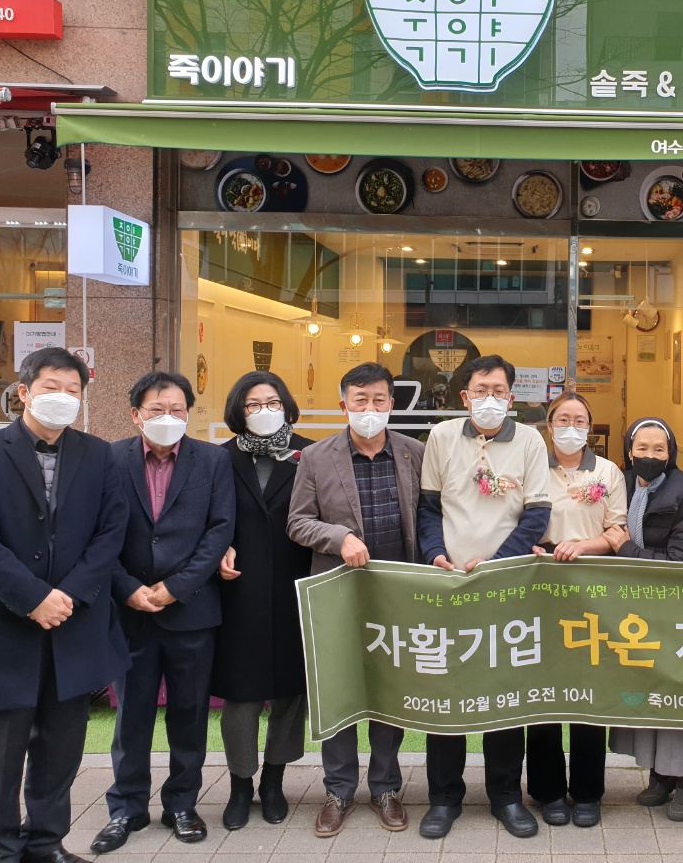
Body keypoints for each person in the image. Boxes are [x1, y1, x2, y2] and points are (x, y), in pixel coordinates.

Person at [0, 347, 129, 863]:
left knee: (62, 745)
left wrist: (66, 596)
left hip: (74, 621)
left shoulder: (100, 456)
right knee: (0, 752)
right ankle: (1, 851)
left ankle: (46, 843)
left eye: (73, 390)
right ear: (24, 391)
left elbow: (110, 533)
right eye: (52, 387)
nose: (63, 398)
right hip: (3, 622)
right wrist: (33, 598)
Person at [92, 372, 235, 854]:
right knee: (131, 716)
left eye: (177, 409)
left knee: (189, 714)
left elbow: (219, 530)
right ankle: (126, 808)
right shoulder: (109, 459)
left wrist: (176, 587)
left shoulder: (213, 460)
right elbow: (97, 535)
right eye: (156, 410)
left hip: (191, 610)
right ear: (136, 414)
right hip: (130, 611)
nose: (167, 418)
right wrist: (127, 588)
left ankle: (182, 805)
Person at [416, 354, 552, 840]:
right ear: (465, 395)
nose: (489, 399)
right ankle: (443, 798)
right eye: (480, 390)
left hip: (506, 586)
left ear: (511, 398)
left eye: (498, 391)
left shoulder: (531, 440)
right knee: (445, 695)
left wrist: (496, 565)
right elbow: (428, 507)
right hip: (449, 584)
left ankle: (506, 797)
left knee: (504, 695)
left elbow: (537, 515)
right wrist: (435, 555)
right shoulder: (441, 436)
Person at [287, 363, 424, 837]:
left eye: (379, 399)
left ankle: (386, 787)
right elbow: (298, 521)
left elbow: (429, 516)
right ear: (343, 404)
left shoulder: (414, 452)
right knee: (342, 690)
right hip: (339, 592)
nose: (370, 408)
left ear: (393, 404)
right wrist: (339, 537)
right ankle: (338, 790)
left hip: (397, 594)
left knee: (389, 690)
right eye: (360, 400)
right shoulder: (316, 457)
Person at [212, 372, 313, 831]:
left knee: (291, 692)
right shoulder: (219, 458)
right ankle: (240, 784)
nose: (263, 411)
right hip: (239, 591)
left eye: (272, 402)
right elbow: (206, 517)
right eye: (252, 405)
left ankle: (274, 781)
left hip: (297, 585)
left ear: (287, 406)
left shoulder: (310, 454)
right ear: (239, 410)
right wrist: (217, 551)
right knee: (242, 695)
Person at [525, 392, 628, 828]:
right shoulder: (531, 465)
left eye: (579, 420)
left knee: (589, 690)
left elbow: (617, 530)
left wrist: (582, 547)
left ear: (589, 426)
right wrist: (532, 547)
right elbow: (514, 519)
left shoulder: (607, 471)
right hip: (539, 583)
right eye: (562, 419)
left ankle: (587, 792)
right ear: (549, 425)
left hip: (591, 586)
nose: (571, 426)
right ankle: (547, 791)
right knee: (543, 689)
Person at [608, 417, 683, 822]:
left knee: (675, 695)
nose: (649, 456)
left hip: (672, 613)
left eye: (659, 449)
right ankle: (660, 775)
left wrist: (627, 552)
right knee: (643, 694)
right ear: (629, 451)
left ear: (671, 454)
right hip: (629, 612)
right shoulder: (616, 487)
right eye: (642, 448)